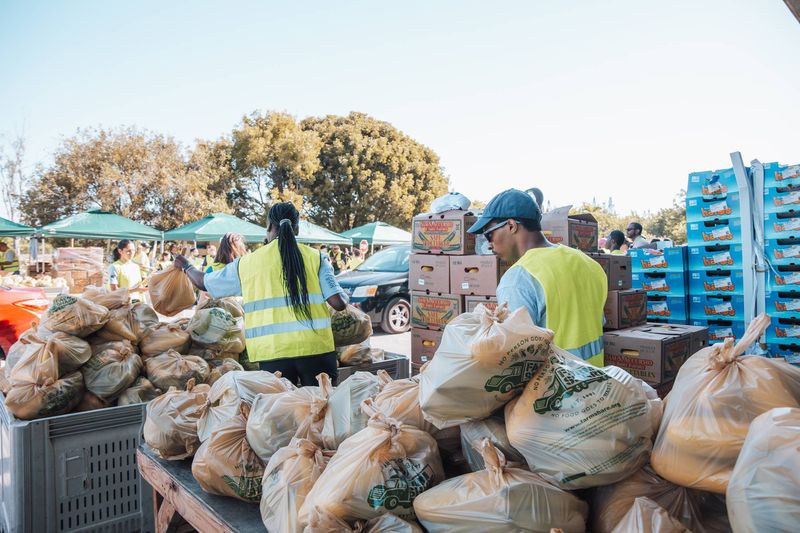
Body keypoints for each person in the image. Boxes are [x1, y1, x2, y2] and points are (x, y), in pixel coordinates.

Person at [174, 202, 348, 386]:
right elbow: (338, 302)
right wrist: (345, 295)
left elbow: (204, 282)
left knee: (282, 411)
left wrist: (186, 266)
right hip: (317, 350)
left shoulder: (248, 263)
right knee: (324, 409)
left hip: (273, 354)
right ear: (296, 229)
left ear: (269, 226)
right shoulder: (316, 257)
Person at [467, 189, 607, 367]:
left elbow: (516, 358)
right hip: (599, 385)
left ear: (511, 225)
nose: (488, 244)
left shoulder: (518, 279)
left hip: (553, 391)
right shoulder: (587, 263)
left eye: (489, 234)